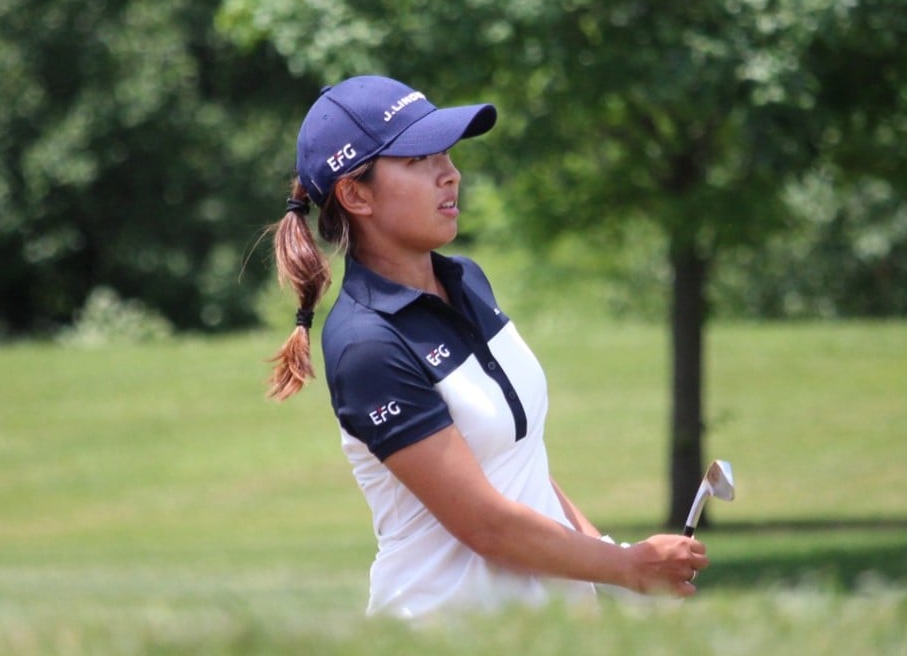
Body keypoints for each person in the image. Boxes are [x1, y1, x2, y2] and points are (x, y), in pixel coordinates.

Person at [267, 75, 708, 620]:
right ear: (356, 194)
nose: (450, 173)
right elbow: (487, 526)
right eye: (419, 159)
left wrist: (619, 564)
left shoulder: (468, 281)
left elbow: (521, 466)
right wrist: (628, 568)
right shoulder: (367, 343)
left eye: (446, 154)